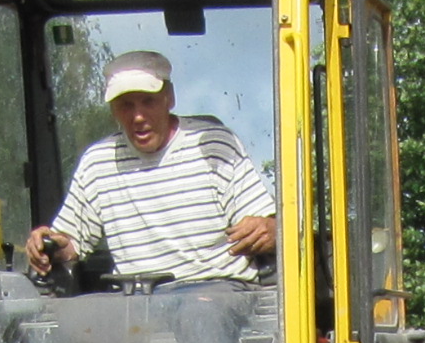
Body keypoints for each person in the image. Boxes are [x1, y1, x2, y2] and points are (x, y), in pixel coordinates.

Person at [24, 50, 278, 286]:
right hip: (137, 305)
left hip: (218, 292)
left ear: (169, 98)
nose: (138, 116)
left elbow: (268, 227)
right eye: (126, 104)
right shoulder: (98, 163)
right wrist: (47, 246)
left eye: (148, 101)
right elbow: (69, 244)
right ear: (113, 109)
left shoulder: (215, 146)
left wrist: (270, 229)